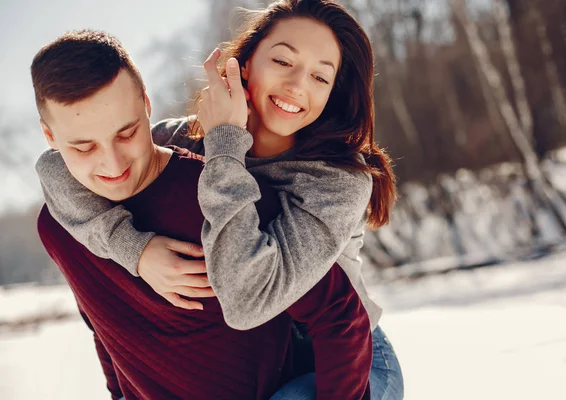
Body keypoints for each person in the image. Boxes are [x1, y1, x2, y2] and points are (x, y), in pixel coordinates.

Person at [36, 0, 404, 398]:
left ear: (333, 92)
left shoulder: (336, 180)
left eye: (320, 77)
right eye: (283, 61)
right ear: (243, 65)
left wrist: (225, 147)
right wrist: (135, 250)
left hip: (348, 356)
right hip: (272, 353)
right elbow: (56, 171)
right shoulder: (180, 140)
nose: (297, 86)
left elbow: (250, 299)